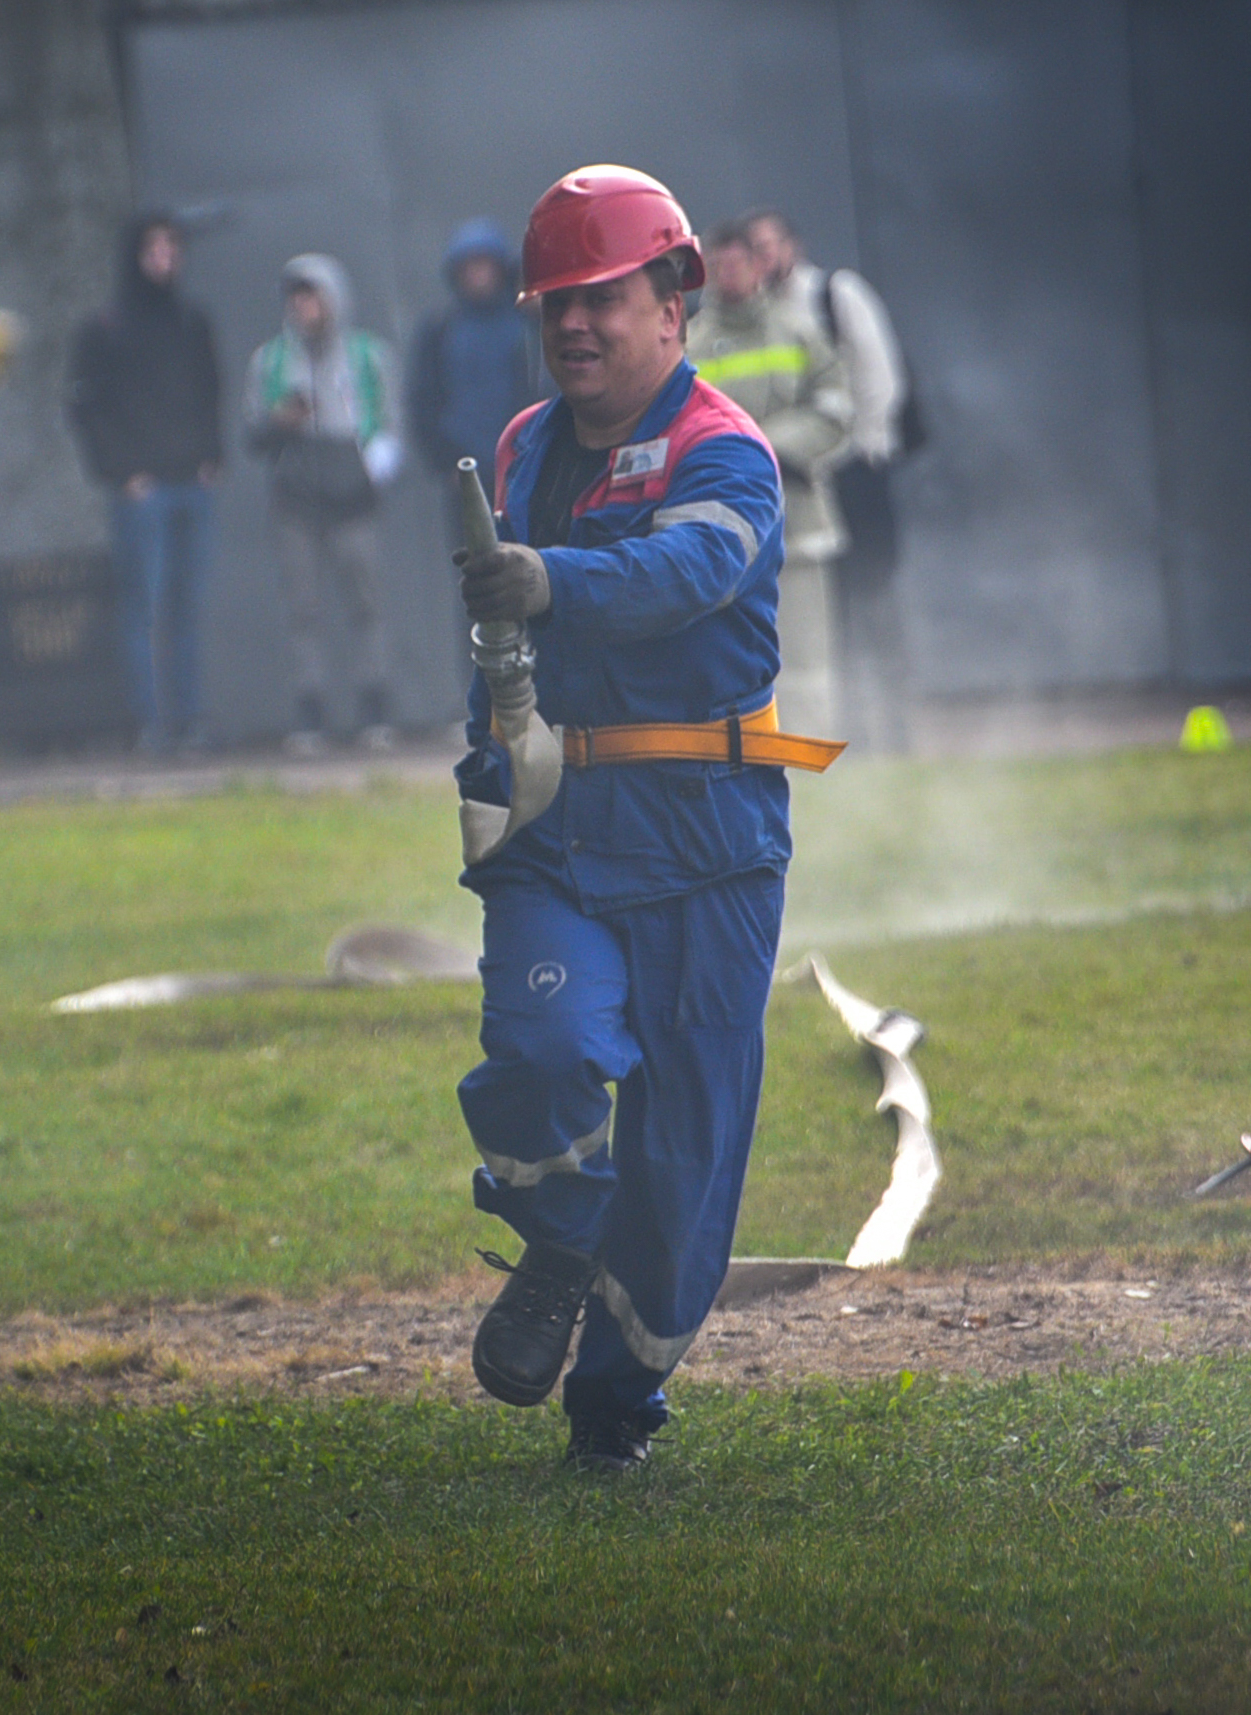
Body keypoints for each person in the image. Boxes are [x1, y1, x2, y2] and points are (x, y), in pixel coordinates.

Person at [452, 165, 838, 1471]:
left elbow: (689, 571)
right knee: (544, 1048)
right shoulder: (517, 447)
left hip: (706, 844)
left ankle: (613, 1411)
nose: (570, 323)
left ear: (672, 301)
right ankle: (556, 1234)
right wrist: (482, 793)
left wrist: (547, 576)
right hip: (558, 833)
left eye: (599, 296)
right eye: (551, 301)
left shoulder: (722, 448)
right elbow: (494, 653)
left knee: (680, 1177)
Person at [747, 208, 915, 750]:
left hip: (853, 474)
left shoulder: (836, 294)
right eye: (754, 248)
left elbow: (879, 376)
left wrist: (858, 448)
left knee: (872, 602)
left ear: (794, 245)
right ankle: (838, 731)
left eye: (771, 246)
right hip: (798, 483)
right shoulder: (757, 316)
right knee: (817, 613)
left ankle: (890, 730)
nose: (764, 259)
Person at [681, 221, 853, 738]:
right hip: (720, 532)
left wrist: (767, 445)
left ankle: (810, 752)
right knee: (726, 651)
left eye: (740, 260)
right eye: (719, 262)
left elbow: (837, 408)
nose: (730, 272)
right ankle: (743, 755)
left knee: (804, 652)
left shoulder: (799, 331)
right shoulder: (689, 344)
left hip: (796, 522)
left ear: (759, 265)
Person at [67, 211, 226, 753]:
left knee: (186, 607)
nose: (165, 258)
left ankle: (190, 721)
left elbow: (212, 389)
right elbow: (85, 407)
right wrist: (120, 472)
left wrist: (211, 458)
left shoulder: (191, 320)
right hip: (142, 491)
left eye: (172, 247)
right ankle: (150, 725)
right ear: (134, 256)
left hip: (191, 482)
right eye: (154, 248)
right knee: (144, 608)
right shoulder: (104, 327)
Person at [245, 253, 404, 752]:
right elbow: (253, 433)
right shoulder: (269, 360)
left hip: (351, 495)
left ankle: (374, 706)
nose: (303, 306)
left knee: (365, 601)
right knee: (303, 607)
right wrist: (281, 421)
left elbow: (389, 422)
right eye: (295, 297)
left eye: (312, 295)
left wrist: (372, 468)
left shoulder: (366, 355)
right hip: (295, 495)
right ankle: (310, 710)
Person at [409, 219, 542, 531]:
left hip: (525, 464)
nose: (478, 276)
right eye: (469, 267)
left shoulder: (528, 325)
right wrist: (446, 462)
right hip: (467, 474)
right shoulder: (440, 330)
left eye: (484, 265)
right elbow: (422, 400)